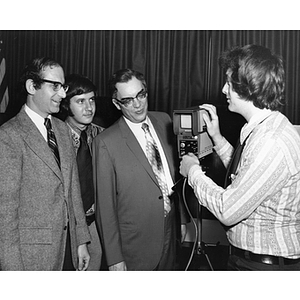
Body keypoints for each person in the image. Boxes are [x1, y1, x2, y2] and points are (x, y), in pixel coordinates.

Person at [180, 44, 300, 271]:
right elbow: (244, 177)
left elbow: (228, 210)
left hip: (264, 266)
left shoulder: (271, 141)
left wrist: (193, 171)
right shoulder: (261, 127)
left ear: (248, 86)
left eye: (229, 83)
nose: (223, 89)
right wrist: (216, 137)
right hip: (250, 259)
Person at [92, 68, 188, 270]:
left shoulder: (164, 120)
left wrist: (182, 219)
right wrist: (114, 258)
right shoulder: (105, 142)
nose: (137, 104)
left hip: (170, 229)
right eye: (127, 100)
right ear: (116, 103)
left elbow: (175, 176)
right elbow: (105, 207)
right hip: (135, 244)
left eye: (141, 95)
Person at [0, 57, 91, 270]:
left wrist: (81, 241)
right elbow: (5, 218)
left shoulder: (61, 129)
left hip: (68, 247)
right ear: (32, 86)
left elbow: (73, 190)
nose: (62, 94)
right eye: (55, 86)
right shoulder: (9, 137)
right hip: (32, 257)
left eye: (63, 86)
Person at [59, 74, 105, 270]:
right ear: (66, 105)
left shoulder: (102, 135)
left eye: (92, 100)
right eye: (80, 101)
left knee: (94, 260)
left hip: (94, 219)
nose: (89, 108)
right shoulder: (56, 137)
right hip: (65, 223)